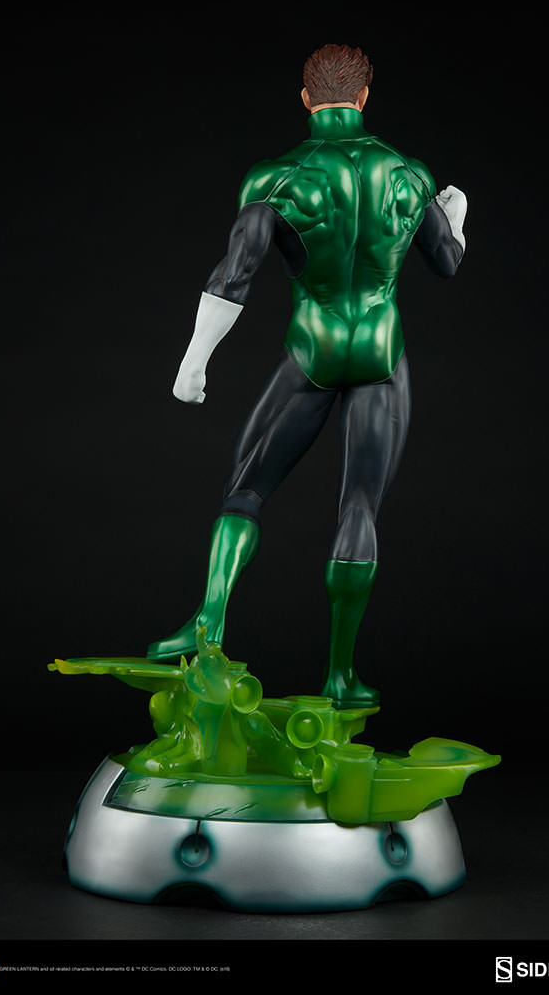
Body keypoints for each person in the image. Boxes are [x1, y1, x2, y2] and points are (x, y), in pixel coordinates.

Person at [146, 44, 467, 708]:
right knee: (359, 507)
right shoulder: (406, 175)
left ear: (304, 98)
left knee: (245, 492)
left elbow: (235, 271)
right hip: (379, 355)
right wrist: (455, 218)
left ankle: (207, 625)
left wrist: (193, 361)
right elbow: (447, 263)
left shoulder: (277, 179)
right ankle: (340, 677)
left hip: (313, 350)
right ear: (364, 97)